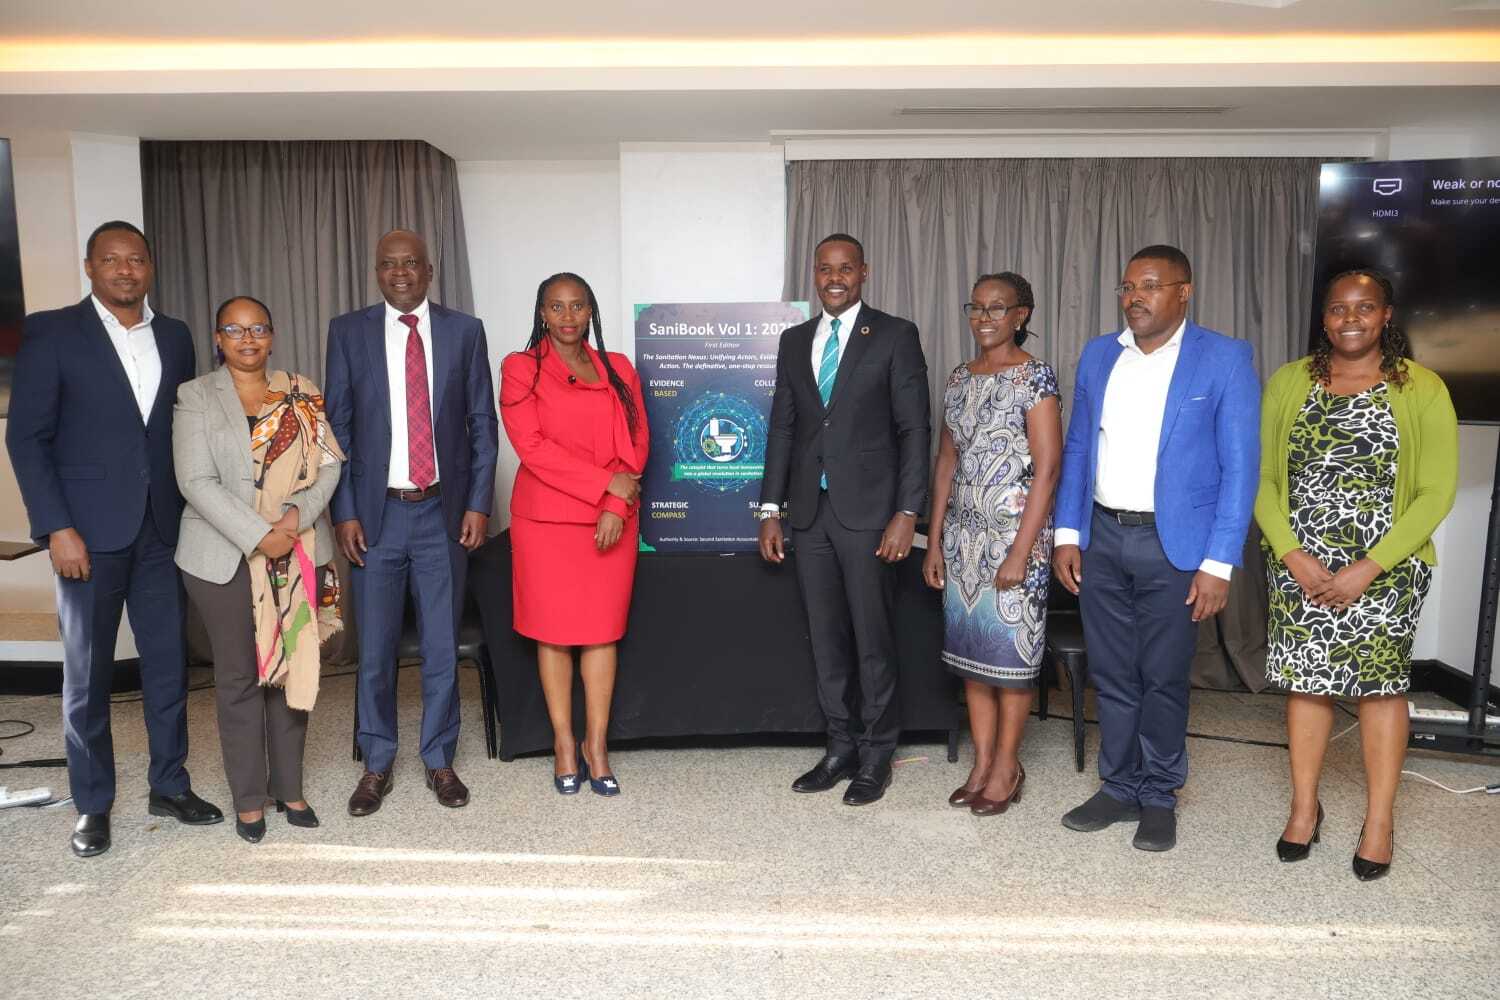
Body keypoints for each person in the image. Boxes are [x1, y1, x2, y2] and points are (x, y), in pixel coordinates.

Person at [5, 220, 222, 857]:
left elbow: (176, 430)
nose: (125, 270)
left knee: (168, 667)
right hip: (85, 535)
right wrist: (56, 527)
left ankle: (169, 785)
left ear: (149, 267)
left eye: (136, 259)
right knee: (88, 675)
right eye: (111, 260)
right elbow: (27, 438)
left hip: (162, 529)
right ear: (90, 267)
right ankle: (92, 804)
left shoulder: (175, 336)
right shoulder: (51, 332)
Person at [1052, 244, 1259, 852]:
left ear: (1183, 291)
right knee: (1112, 673)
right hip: (1103, 538)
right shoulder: (1099, 354)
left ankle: (1159, 795)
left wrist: (1218, 564)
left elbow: (1240, 469)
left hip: (1177, 548)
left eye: (1149, 285)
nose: (1134, 297)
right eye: (1127, 287)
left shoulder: (1223, 358)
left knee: (1163, 676)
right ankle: (1118, 786)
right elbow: (1078, 449)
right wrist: (1068, 533)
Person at [1255, 269, 1457, 881]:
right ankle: (1303, 808)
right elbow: (1263, 479)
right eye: (1338, 308)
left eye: (1364, 307)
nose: (1350, 318)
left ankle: (1379, 822)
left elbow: (1435, 491)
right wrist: (1293, 555)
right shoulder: (1289, 381)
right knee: (1306, 686)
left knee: (1380, 689)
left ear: (1385, 315)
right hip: (1300, 565)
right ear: (1324, 318)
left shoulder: (1422, 387)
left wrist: (1368, 568)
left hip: (1386, 569)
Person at [324, 229, 498, 816]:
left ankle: (439, 758)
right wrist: (344, 510)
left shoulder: (464, 331)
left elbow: (482, 423)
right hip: (375, 517)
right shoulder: (348, 332)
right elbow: (337, 430)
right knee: (374, 648)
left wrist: (478, 503)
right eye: (388, 264)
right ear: (377, 271)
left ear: (429, 270)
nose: (400, 273)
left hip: (441, 513)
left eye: (410, 263)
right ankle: (376, 762)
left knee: (441, 646)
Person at [758, 233, 932, 806]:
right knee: (826, 637)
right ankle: (840, 746)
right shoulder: (794, 341)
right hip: (809, 515)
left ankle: (877, 752)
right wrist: (771, 509)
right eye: (825, 269)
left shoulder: (895, 335)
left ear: (864, 272)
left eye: (846, 269)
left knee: (872, 637)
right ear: (815, 274)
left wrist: (907, 512)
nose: (835, 278)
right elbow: (783, 427)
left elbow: (914, 429)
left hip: (871, 514)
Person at [174, 296, 345, 843]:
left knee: (294, 662)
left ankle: (289, 788)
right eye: (234, 329)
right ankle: (249, 797)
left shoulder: (300, 390)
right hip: (221, 554)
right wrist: (259, 535)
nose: (247, 339)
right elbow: (195, 481)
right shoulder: (196, 396)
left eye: (258, 329)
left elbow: (330, 464)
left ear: (271, 335)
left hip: (296, 545)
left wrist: (294, 516)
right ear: (218, 338)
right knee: (240, 675)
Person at [499, 273, 648, 796]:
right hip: (548, 523)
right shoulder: (521, 368)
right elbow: (532, 448)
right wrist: (604, 484)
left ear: (591, 311)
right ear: (542, 312)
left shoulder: (619, 367)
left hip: (613, 519)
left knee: (602, 632)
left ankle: (596, 746)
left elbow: (637, 443)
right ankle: (564, 743)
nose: (568, 316)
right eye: (556, 306)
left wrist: (615, 502)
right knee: (555, 634)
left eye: (577, 306)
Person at [923, 272, 1061, 816]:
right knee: (973, 658)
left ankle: (1007, 766)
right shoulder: (959, 378)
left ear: (1021, 315)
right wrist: (934, 542)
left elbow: (1048, 469)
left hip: (1014, 539)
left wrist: (1021, 552)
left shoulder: (1035, 377)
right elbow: (946, 462)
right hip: (962, 540)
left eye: (997, 308)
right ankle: (981, 765)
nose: (984, 317)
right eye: (976, 307)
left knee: (1011, 659)